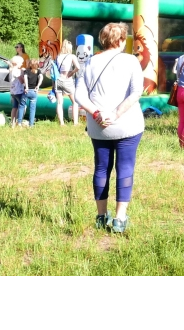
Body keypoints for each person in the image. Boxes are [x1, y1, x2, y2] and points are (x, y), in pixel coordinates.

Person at [74, 22, 145, 234]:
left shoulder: (90, 62)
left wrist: (96, 114)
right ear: (121, 40)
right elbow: (136, 92)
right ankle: (119, 219)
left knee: (101, 168)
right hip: (127, 125)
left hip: (98, 127)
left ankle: (100, 216)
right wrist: (115, 114)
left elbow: (79, 95)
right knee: (125, 168)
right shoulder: (131, 61)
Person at [52, 40, 80, 126]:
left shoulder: (58, 57)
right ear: (69, 48)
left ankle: (61, 123)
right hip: (67, 80)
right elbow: (78, 67)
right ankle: (75, 122)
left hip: (58, 80)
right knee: (74, 102)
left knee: (59, 102)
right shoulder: (71, 56)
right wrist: (72, 72)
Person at [8, 55, 25, 128]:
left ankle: (13, 123)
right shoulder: (17, 71)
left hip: (13, 92)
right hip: (19, 91)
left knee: (14, 107)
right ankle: (19, 122)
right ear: (17, 63)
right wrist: (23, 74)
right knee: (22, 106)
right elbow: (22, 81)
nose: (22, 64)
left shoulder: (11, 70)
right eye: (21, 63)